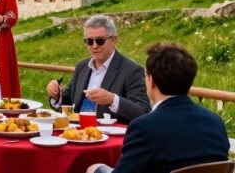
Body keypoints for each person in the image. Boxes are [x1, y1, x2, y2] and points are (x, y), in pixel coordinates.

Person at [85, 43, 230, 173]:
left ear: (151, 80)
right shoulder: (215, 122)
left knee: (94, 168)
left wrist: (97, 169)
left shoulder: (144, 127)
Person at [46, 14, 150, 124]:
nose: (94, 46)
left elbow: (143, 112)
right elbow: (67, 102)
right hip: (76, 134)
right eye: (89, 41)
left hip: (109, 137)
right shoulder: (82, 66)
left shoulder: (131, 70)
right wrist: (57, 95)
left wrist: (112, 99)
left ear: (114, 39)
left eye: (100, 41)